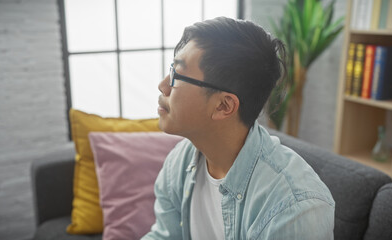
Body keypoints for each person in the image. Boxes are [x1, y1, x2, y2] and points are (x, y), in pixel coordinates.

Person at [142, 17, 334, 240]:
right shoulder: (180, 160)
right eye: (170, 69)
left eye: (177, 74)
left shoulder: (294, 208)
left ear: (224, 106)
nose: (163, 85)